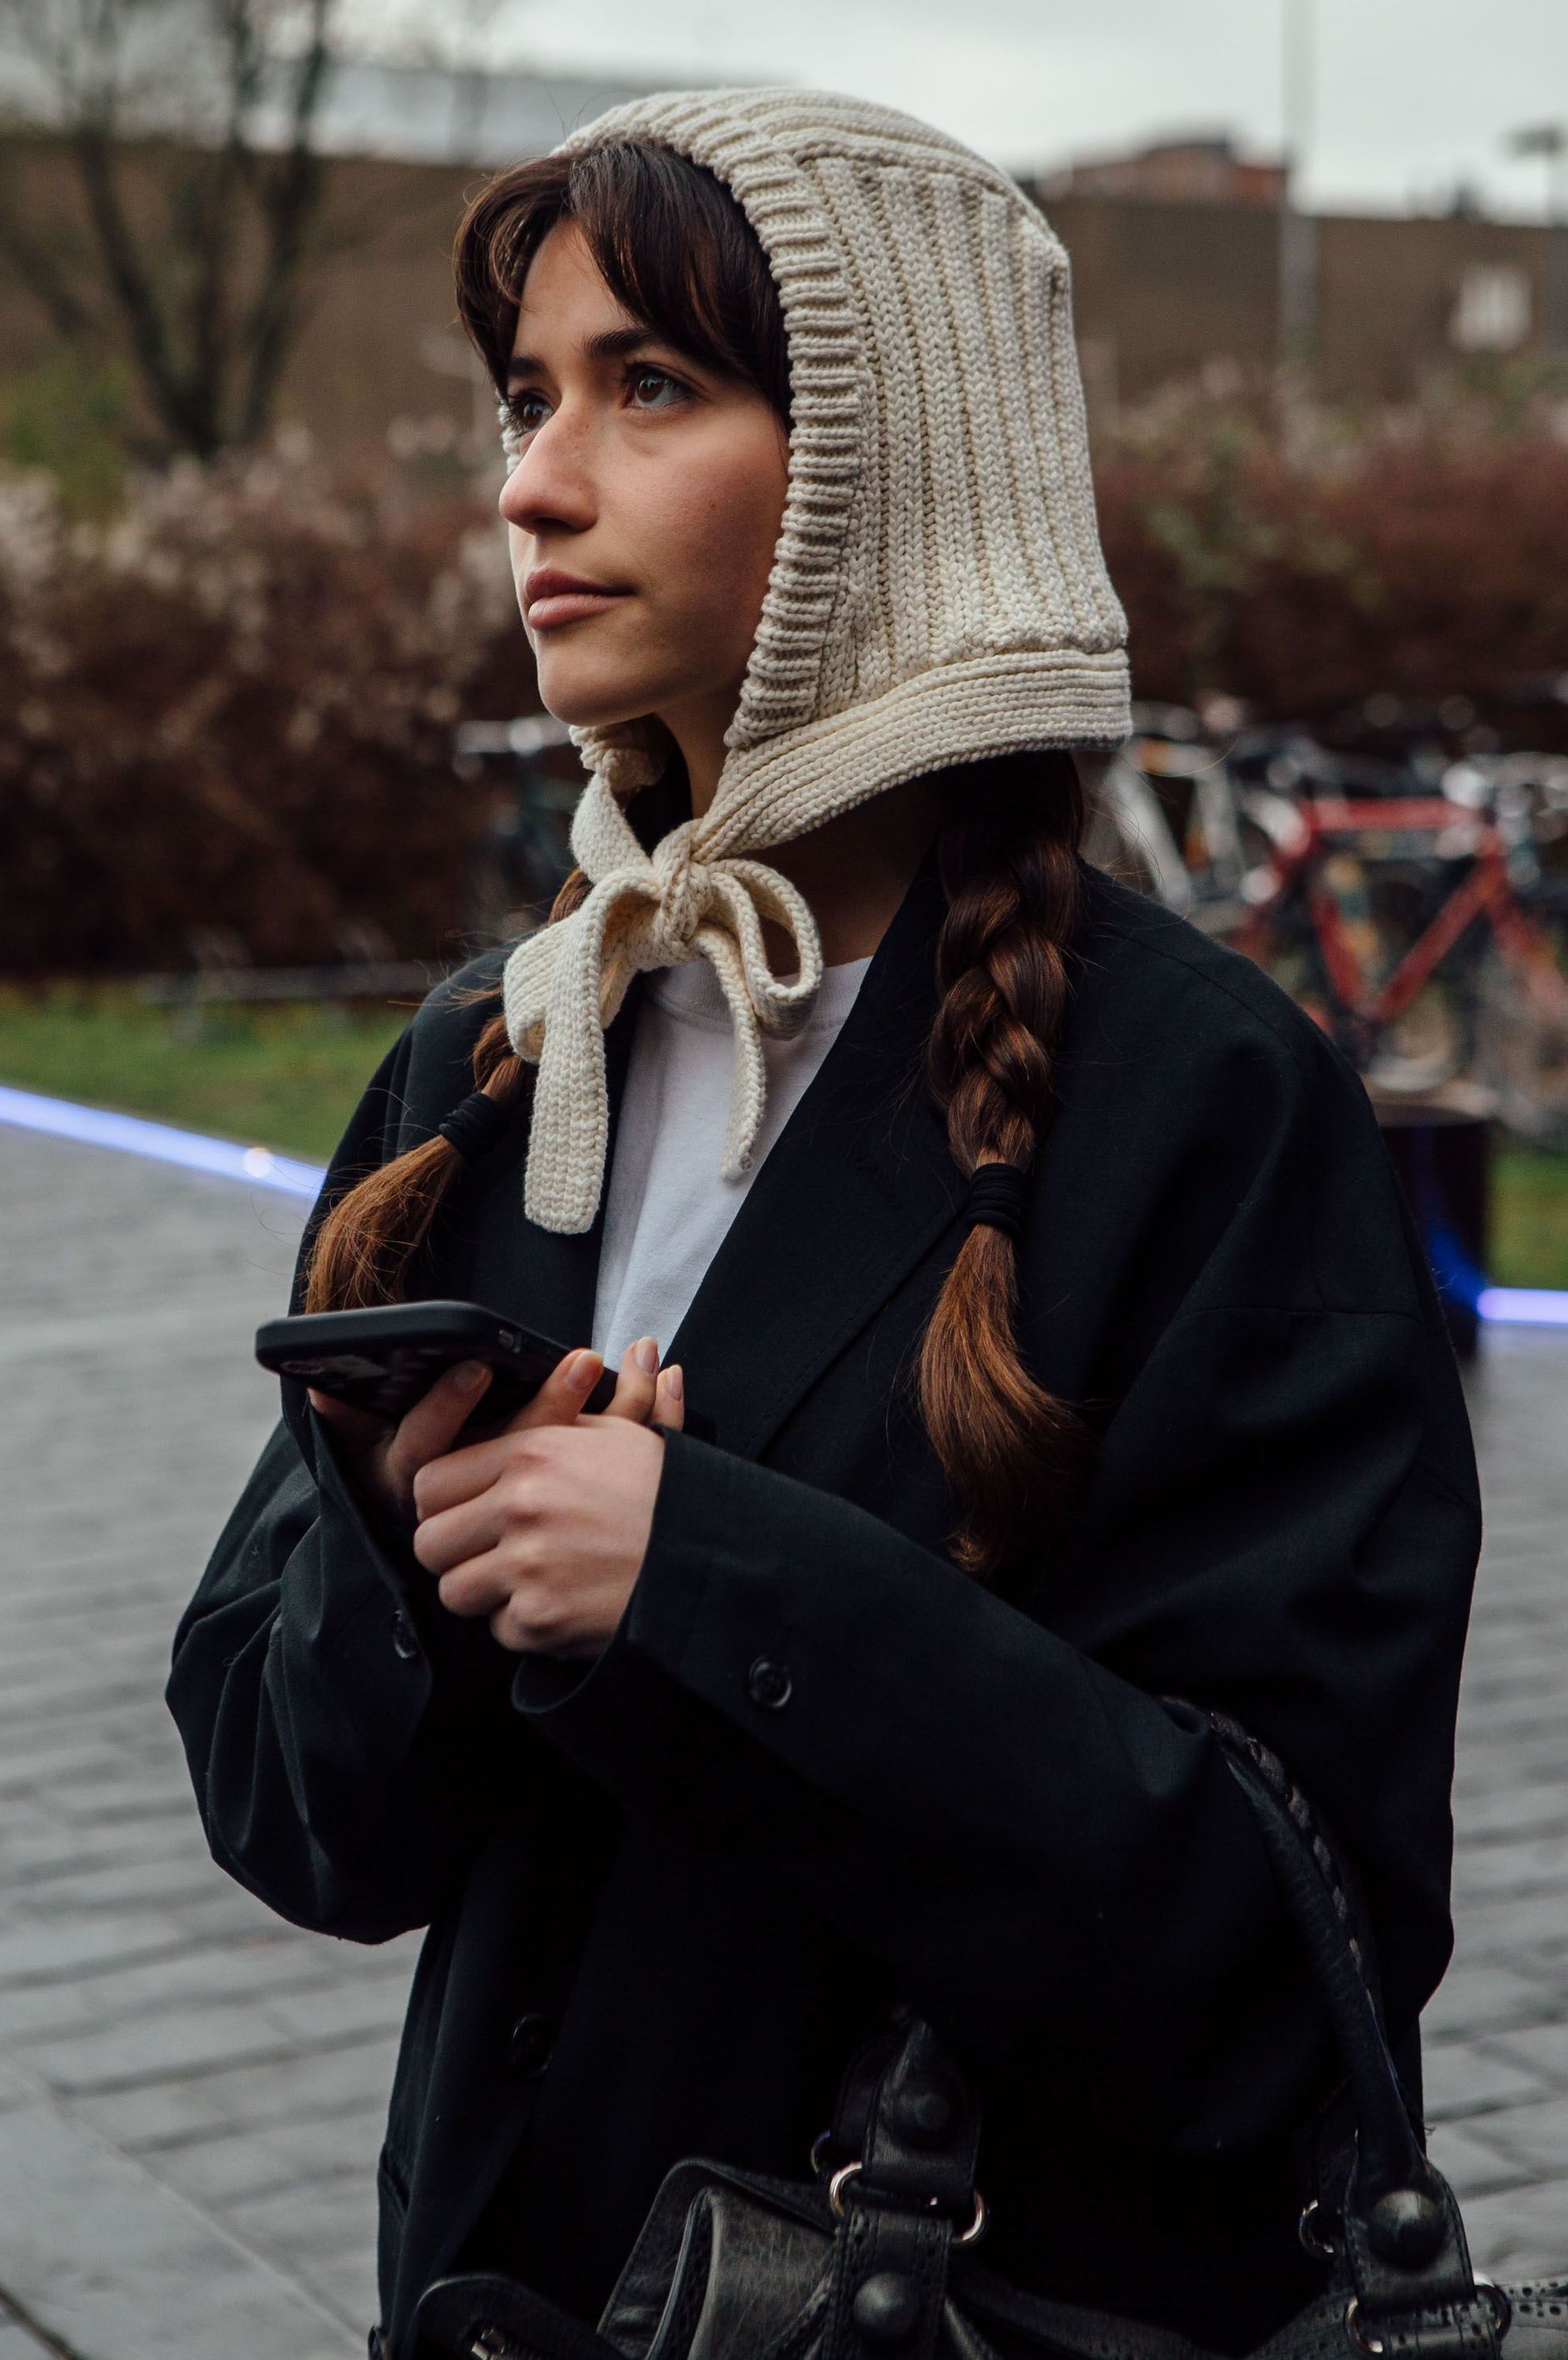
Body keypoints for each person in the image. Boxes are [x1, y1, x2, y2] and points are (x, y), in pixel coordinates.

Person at [167, 91, 1480, 2360]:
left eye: (643, 387)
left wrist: (700, 1571)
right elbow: (303, 1829)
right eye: (524, 397)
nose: (531, 482)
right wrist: (407, 1554)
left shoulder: (1199, 1102)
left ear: (899, 472)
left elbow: (1287, 1967)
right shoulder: (494, 1056)